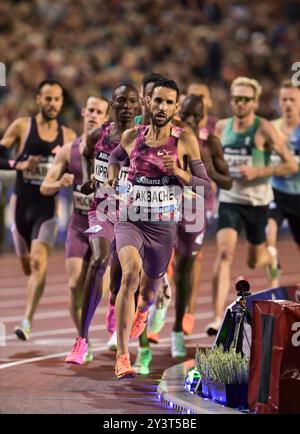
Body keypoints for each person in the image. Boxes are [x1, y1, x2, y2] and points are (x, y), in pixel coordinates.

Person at [108, 78, 211, 379]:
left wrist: (178, 171)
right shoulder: (132, 136)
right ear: (147, 102)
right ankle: (123, 355)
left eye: (168, 102)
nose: (162, 107)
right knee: (129, 274)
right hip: (131, 220)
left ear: (175, 107)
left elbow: (204, 187)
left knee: (150, 293)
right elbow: (115, 158)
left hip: (163, 229)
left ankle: (144, 310)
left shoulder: (184, 139)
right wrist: (114, 175)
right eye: (157, 101)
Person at [208, 76, 298, 335]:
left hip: (257, 203)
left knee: (254, 260)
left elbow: (290, 165)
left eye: (246, 99)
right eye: (236, 98)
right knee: (224, 253)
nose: (240, 103)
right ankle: (215, 317)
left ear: (255, 102)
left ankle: (270, 256)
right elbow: (212, 161)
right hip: (230, 200)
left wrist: (259, 170)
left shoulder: (264, 128)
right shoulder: (221, 127)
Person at [64, 84, 140, 365]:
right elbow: (85, 154)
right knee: (99, 260)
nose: (127, 106)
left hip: (133, 215)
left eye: (132, 101)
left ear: (139, 105)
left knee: (126, 278)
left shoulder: (144, 138)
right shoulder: (100, 135)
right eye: (121, 101)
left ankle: (121, 318)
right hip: (103, 210)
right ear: (113, 104)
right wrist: (90, 179)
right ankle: (81, 339)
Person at [0, 79, 76, 340]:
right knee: (26, 265)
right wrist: (19, 164)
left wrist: (69, 178)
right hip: (20, 205)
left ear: (61, 102)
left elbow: (78, 169)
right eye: (47, 98)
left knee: (37, 262)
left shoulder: (68, 136)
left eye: (56, 99)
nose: (52, 103)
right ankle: (28, 312)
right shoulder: (22, 126)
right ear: (38, 99)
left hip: (47, 209)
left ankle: (27, 320)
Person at [40, 96, 109, 353]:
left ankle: (96, 328)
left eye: (99, 111)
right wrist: (59, 183)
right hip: (79, 224)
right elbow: (45, 186)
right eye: (90, 109)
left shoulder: (111, 150)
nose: (93, 114)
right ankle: (83, 336)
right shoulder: (69, 150)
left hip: (103, 222)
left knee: (99, 276)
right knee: (73, 284)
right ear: (83, 112)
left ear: (106, 118)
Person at [171, 94, 232, 357]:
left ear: (205, 117)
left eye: (197, 116)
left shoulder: (211, 143)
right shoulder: (172, 137)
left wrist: (208, 170)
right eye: (187, 115)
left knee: (184, 268)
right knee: (156, 260)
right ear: (179, 113)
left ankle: (177, 328)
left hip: (197, 211)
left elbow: (227, 182)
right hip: (169, 205)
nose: (192, 121)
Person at [266, 80, 300, 288]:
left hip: (298, 196)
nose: (287, 104)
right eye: (284, 99)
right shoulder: (271, 129)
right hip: (275, 193)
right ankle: (274, 291)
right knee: (269, 242)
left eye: (292, 99)